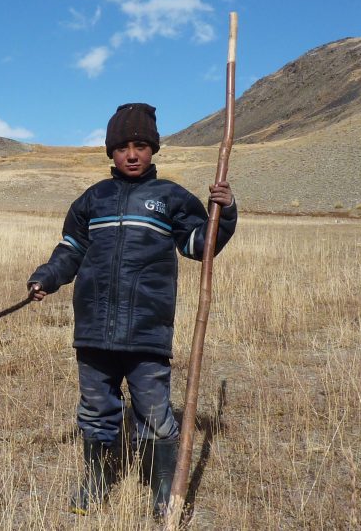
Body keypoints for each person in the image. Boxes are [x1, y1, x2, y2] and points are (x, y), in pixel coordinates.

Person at [26, 103, 237, 517]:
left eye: (141, 145)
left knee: (154, 410)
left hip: (147, 330)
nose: (133, 154)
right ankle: (98, 478)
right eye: (123, 147)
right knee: (96, 409)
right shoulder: (93, 199)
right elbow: (71, 248)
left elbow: (199, 246)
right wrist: (47, 277)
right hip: (93, 328)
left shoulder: (171, 197)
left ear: (153, 148)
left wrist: (224, 212)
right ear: (111, 152)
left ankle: (162, 486)